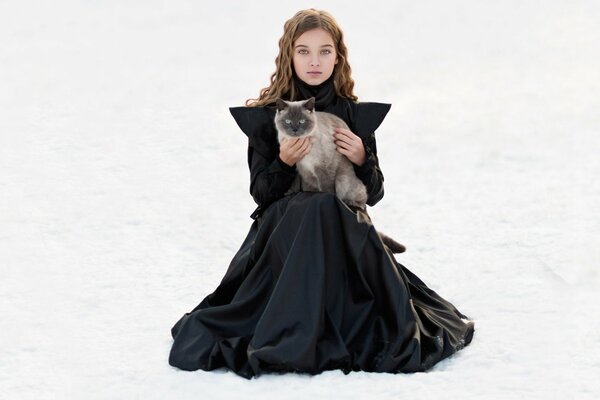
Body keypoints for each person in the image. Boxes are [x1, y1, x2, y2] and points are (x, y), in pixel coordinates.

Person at [168, 8, 474, 379]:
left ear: (337, 57)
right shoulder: (269, 116)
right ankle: (294, 325)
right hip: (287, 233)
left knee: (327, 207)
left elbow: (373, 194)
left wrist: (362, 157)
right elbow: (261, 196)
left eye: (325, 51)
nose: (315, 61)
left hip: (344, 229)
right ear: (289, 56)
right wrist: (282, 162)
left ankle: (339, 320)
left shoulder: (352, 114)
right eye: (304, 51)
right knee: (313, 208)